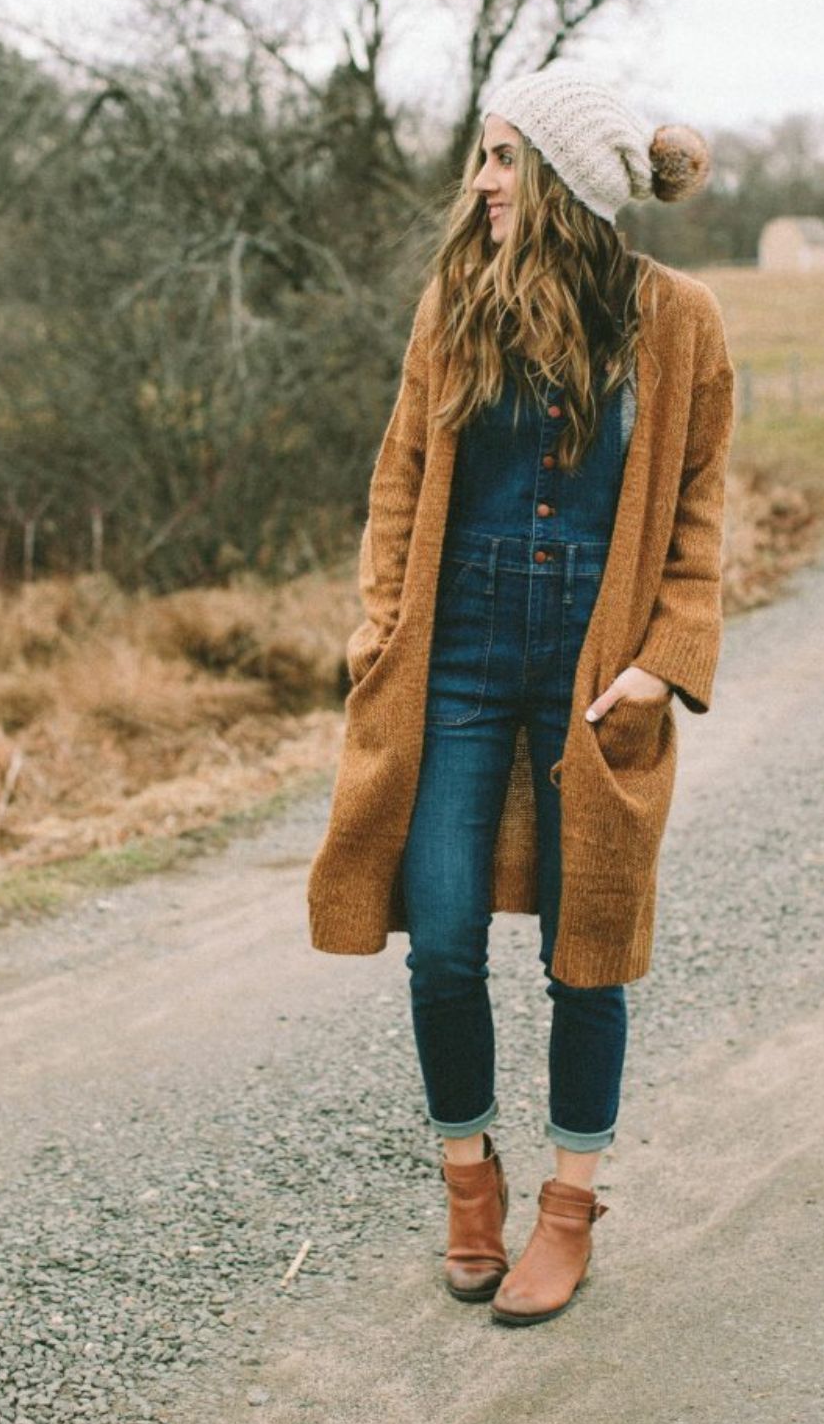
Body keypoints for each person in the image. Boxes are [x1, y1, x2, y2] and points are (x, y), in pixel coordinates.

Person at [306, 64, 734, 1326]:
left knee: (583, 951)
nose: (481, 182)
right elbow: (399, 481)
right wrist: (383, 633)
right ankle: (468, 1186)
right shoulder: (455, 307)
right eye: (484, 157)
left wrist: (668, 655)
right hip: (457, 664)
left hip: (598, 670)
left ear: (561, 179)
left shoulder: (681, 321)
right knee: (439, 944)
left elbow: (701, 515)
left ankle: (569, 1208)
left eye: (501, 158)